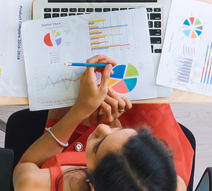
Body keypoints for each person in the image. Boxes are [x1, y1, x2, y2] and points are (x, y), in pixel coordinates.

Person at [13, 55, 193, 191]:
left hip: (66, 146)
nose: (101, 127)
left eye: (98, 145)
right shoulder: (171, 185)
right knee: (146, 66)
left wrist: (80, 110)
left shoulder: (35, 184)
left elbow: (25, 167)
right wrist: (115, 123)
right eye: (135, 132)